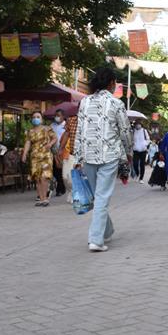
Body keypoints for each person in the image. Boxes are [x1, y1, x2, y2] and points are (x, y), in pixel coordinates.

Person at [74, 68, 133, 252]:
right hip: (110, 155)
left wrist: (77, 155)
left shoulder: (84, 101)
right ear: (111, 83)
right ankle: (96, 240)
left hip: (88, 155)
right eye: (114, 82)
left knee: (98, 196)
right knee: (101, 197)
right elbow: (125, 131)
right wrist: (128, 151)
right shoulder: (116, 103)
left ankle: (106, 231)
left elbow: (79, 129)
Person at [22, 110, 57, 207]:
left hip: (45, 155)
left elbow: (55, 138)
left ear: (42, 119)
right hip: (35, 156)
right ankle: (41, 199)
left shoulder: (47, 129)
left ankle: (45, 198)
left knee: (44, 177)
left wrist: (50, 144)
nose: (35, 119)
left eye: (38, 117)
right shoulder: (30, 132)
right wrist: (24, 154)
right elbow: (28, 143)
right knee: (37, 178)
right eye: (34, 117)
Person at [60, 111, 78, 202]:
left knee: (75, 176)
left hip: (82, 154)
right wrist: (60, 149)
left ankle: (75, 192)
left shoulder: (89, 120)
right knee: (65, 176)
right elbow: (66, 135)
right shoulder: (71, 120)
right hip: (69, 153)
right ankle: (70, 190)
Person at [50, 109, 68, 196]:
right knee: (55, 170)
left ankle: (60, 188)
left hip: (63, 150)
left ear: (63, 116)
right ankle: (60, 187)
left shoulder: (66, 125)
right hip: (54, 151)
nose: (57, 117)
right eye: (56, 115)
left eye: (59, 115)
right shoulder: (51, 126)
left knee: (62, 170)